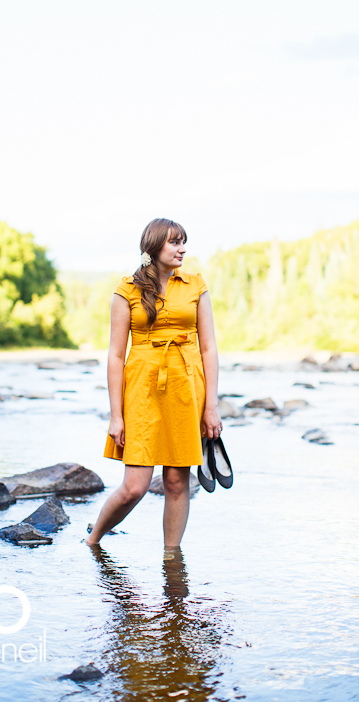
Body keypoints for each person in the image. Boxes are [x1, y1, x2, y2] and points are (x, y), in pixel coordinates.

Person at [85, 218, 222, 548]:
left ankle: (171, 560)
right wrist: (115, 415)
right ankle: (94, 540)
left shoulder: (195, 285)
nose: (182, 249)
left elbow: (208, 347)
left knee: (177, 483)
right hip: (142, 390)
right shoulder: (127, 290)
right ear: (154, 246)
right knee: (135, 486)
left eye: (183, 242)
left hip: (187, 388)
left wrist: (212, 406)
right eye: (175, 242)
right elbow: (116, 356)